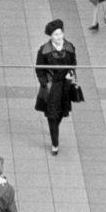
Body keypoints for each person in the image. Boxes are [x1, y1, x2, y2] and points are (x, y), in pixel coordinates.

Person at [35, 19, 77, 155]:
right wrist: (45, 83)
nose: (59, 37)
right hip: (51, 87)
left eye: (60, 34)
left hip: (65, 85)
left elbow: (73, 63)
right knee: (52, 115)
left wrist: (71, 73)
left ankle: (54, 130)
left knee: (61, 113)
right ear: (50, 36)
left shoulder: (69, 47)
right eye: (55, 35)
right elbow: (39, 69)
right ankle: (55, 143)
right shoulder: (44, 51)